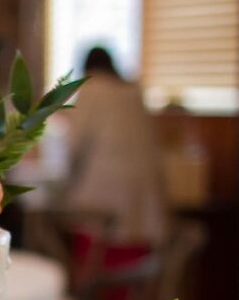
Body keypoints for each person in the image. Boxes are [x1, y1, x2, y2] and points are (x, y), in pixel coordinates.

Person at [65, 46, 168, 284]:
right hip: (142, 196)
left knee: (98, 267)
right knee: (133, 271)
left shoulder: (91, 89)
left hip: (103, 191)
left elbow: (74, 143)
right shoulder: (134, 91)